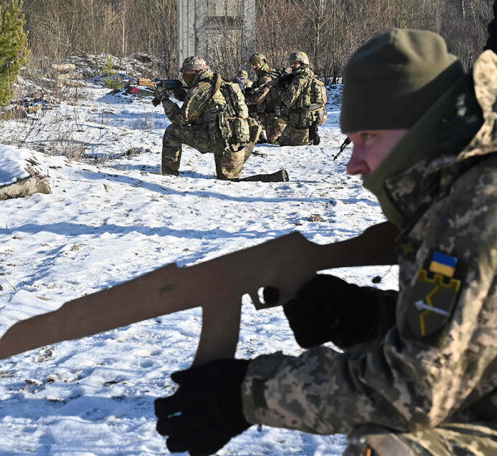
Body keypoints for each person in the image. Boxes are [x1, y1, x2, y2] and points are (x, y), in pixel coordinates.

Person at [154, 28, 497, 455]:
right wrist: (365, 317)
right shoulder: (458, 191)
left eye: (368, 138)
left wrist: (247, 394)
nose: (354, 165)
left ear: (422, 128)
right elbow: (474, 341)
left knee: (390, 444)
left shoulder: (473, 210)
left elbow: (414, 391)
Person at [155, 56, 288, 182]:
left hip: (218, 141)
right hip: (238, 143)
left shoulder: (201, 88)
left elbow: (181, 119)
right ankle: (274, 178)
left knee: (172, 131)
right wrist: (183, 95)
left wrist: (165, 99)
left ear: (195, 71)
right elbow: (208, 105)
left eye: (185, 71)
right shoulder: (223, 83)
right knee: (228, 181)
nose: (184, 75)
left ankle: (169, 175)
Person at [278, 51, 326, 146]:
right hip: (310, 118)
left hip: (300, 121)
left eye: (295, 63)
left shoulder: (300, 79)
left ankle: (308, 137)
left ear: (303, 64)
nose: (292, 65)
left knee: (283, 142)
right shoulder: (312, 76)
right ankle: (310, 134)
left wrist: (283, 87)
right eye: (291, 63)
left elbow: (287, 100)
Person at [245, 53, 290, 144]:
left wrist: (244, 101)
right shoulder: (266, 75)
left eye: (256, 64)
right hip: (271, 114)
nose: (254, 67)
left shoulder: (266, 77)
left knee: (274, 143)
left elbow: (259, 98)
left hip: (276, 116)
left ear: (263, 62)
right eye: (252, 65)